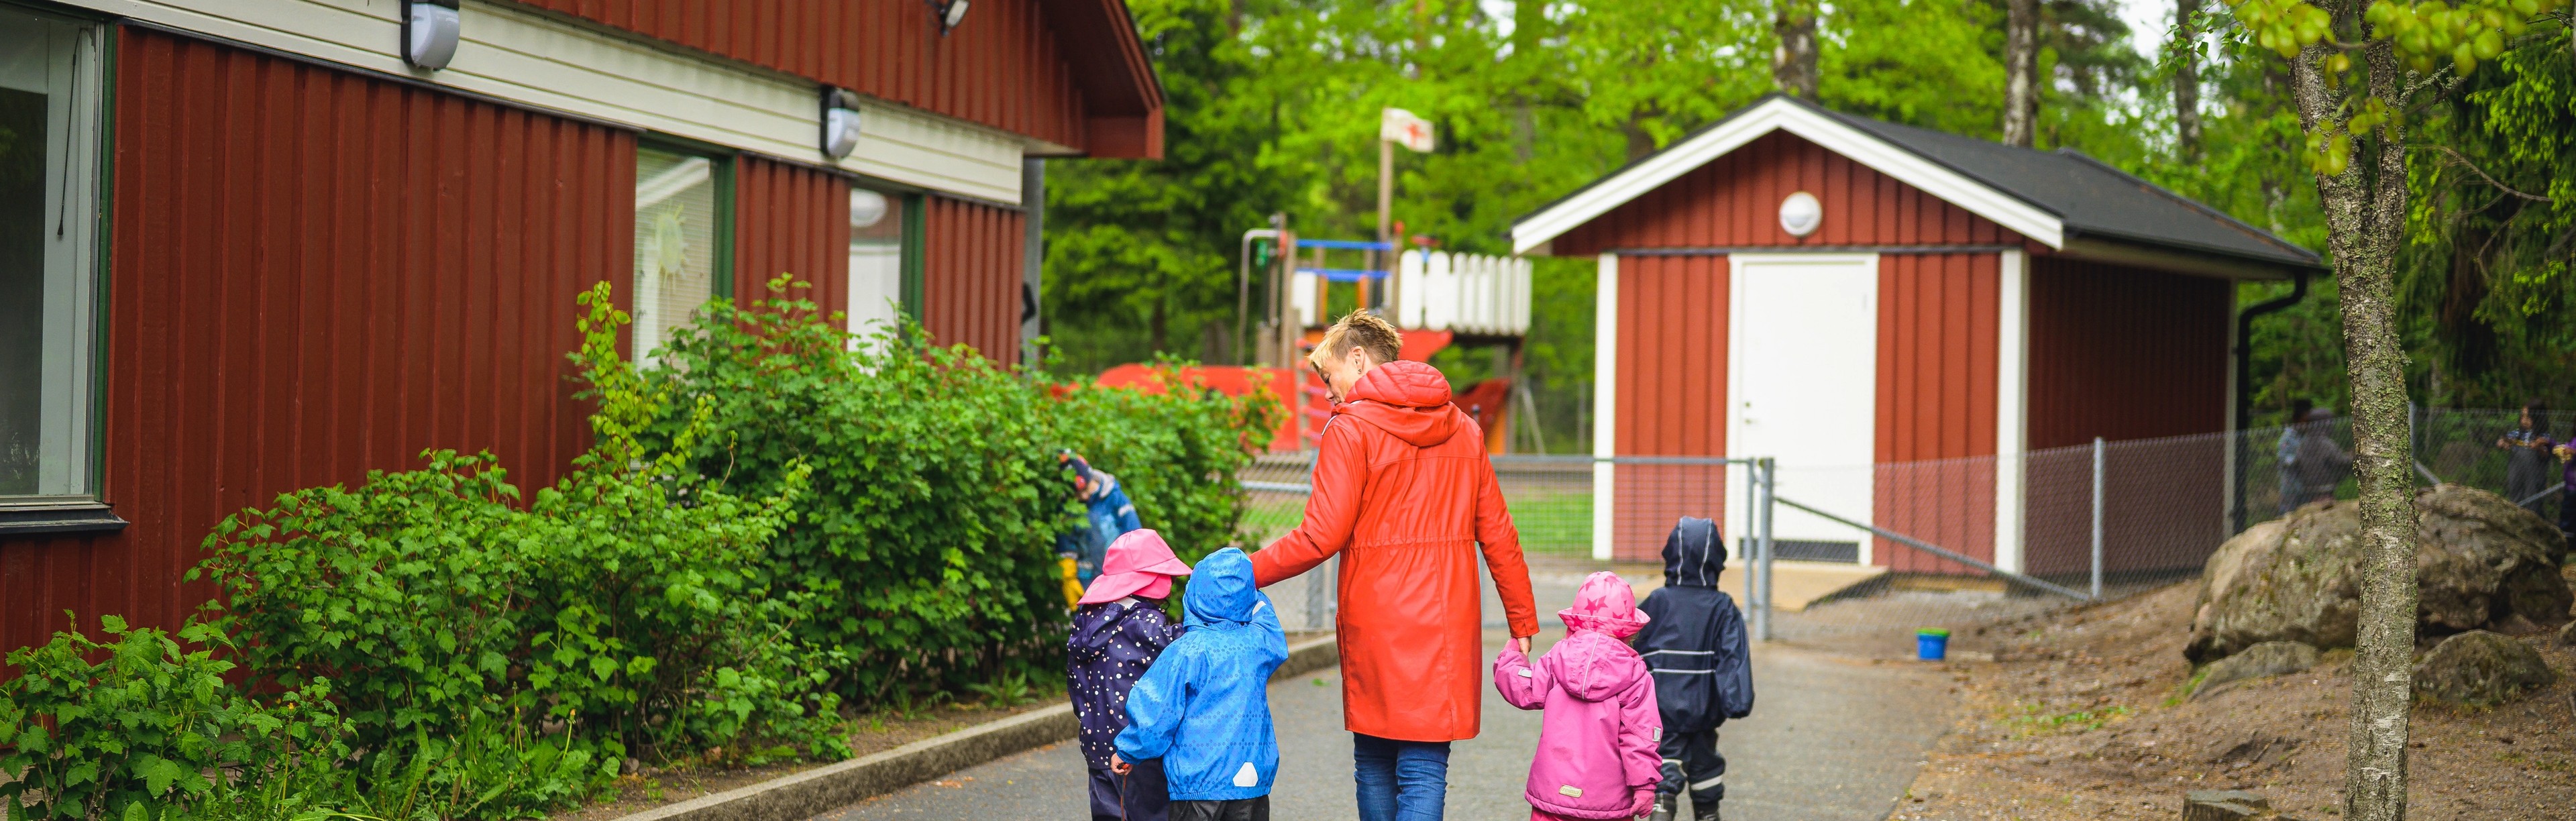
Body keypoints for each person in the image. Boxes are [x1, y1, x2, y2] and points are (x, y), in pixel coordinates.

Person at [1250, 310, 1541, 821]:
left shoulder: (1350, 431)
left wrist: (1239, 573)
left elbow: (1321, 535)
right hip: (1447, 627)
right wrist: (1521, 619)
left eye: (1328, 376)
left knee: (1375, 761)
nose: (1327, 392)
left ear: (1358, 359)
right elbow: (1498, 532)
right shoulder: (1466, 431)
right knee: (1426, 769)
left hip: (1376, 622)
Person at [1112, 547, 1289, 821]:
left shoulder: (1187, 651)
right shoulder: (1258, 645)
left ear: (1193, 595)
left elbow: (1157, 710)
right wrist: (1246, 587)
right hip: (1251, 779)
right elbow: (1268, 621)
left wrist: (1129, 750)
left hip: (1198, 784)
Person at [1493, 571, 1664, 821]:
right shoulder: (1635, 676)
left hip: (1553, 792)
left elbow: (1525, 689)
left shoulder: (1558, 657)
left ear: (1574, 622)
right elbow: (1641, 735)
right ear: (1629, 631)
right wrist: (1645, 786)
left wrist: (1511, 656)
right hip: (1608, 801)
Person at [1631, 518, 1754, 821]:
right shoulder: (1723, 607)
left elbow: (1631, 649)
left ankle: (1662, 806)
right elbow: (1733, 658)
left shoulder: (1657, 601)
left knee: (1664, 767)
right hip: (1704, 711)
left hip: (1661, 711)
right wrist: (1736, 701)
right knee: (1706, 769)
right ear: (1717, 559)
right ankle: (1708, 813)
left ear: (1671, 554)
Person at [1071, 530, 1193, 821]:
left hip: (1097, 743)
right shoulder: (1147, 624)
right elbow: (1185, 653)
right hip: (1136, 747)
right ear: (1152, 581)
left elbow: (1076, 687)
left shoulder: (1086, 623)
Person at [2496, 401, 2557, 516]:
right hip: (2517, 472)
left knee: (2533, 498)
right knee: (2516, 495)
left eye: (2528, 417)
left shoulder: (2543, 436)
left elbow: (2546, 453)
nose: (2524, 420)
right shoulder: (2517, 433)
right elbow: (2503, 440)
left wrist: (2539, 447)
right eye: (2522, 416)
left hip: (2534, 475)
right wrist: (2503, 442)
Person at [2289, 407, 2354, 510]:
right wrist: (2352, 456)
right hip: (2326, 489)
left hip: (2309, 491)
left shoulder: (2303, 444)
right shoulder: (2325, 443)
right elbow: (2341, 461)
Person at [2277, 398, 2314, 517]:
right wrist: (2299, 458)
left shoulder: (2308, 437)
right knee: (2288, 517)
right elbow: (2284, 460)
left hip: (2306, 486)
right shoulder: (2287, 438)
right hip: (2291, 486)